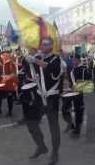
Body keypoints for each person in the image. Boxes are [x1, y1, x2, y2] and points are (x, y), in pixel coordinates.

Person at [23, 37, 62, 165]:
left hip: (51, 98)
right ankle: (41, 146)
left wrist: (35, 59)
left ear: (51, 46)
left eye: (45, 44)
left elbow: (50, 68)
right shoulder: (40, 58)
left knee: (53, 127)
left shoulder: (56, 59)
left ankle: (55, 153)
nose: (42, 46)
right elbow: (28, 69)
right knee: (31, 122)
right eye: (42, 44)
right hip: (40, 97)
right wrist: (29, 59)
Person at [62, 55, 89, 138]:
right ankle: (70, 124)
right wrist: (67, 88)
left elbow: (88, 82)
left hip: (79, 93)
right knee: (64, 108)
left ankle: (77, 130)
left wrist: (78, 87)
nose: (73, 61)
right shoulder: (72, 70)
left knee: (78, 111)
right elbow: (70, 81)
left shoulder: (84, 69)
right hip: (71, 92)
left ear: (78, 60)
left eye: (74, 60)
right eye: (72, 60)